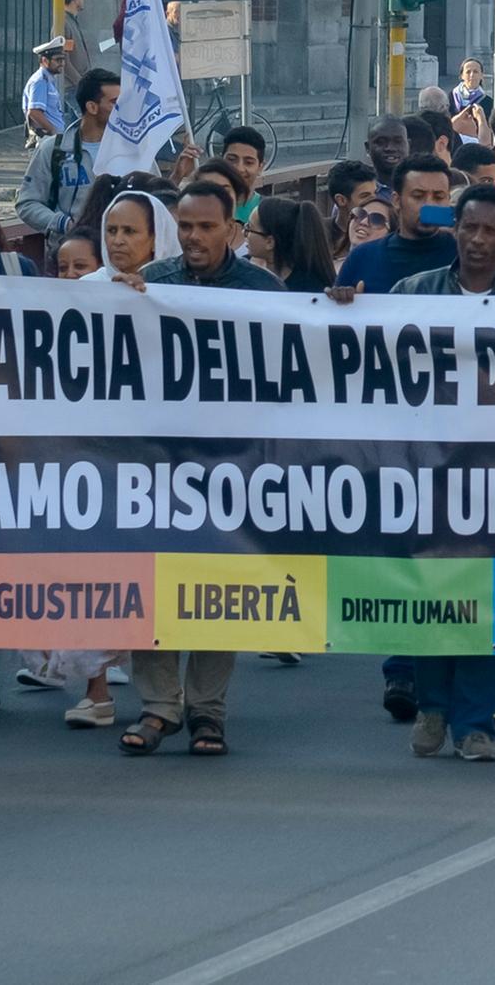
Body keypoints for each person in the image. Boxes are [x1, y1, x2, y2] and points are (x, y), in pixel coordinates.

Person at [371, 185, 495, 763]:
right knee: (434, 594)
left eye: (490, 231)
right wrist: (344, 306)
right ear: (454, 229)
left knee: (494, 596)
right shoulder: (413, 294)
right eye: (469, 228)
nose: (478, 241)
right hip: (430, 473)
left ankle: (475, 722)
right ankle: (433, 706)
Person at [112, 183, 282, 759]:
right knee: (153, 586)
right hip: (155, 466)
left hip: (228, 468)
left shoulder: (262, 291)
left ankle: (208, 712)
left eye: (206, 227)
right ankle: (159, 707)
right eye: (185, 227)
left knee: (217, 590)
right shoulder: (150, 285)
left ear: (232, 231)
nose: (194, 237)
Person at [16, 68, 118, 242]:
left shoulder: (133, 149)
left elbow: (155, 198)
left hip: (119, 255)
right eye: (115, 102)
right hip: (70, 256)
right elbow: (27, 204)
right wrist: (63, 224)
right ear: (92, 107)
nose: (122, 108)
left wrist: (176, 174)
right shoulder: (54, 149)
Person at [332, 156, 457, 293]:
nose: (429, 204)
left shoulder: (463, 256)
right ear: (396, 200)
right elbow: (331, 311)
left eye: (438, 197)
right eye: (418, 196)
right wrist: (342, 301)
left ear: (448, 201)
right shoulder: (362, 257)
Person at [244, 195, 337, 294]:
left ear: (270, 242)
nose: (243, 232)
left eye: (249, 228)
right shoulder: (242, 267)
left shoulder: (309, 287)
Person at [21, 38, 68, 140]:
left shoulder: (48, 80)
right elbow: (34, 112)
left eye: (63, 59)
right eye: (58, 60)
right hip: (46, 139)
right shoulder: (40, 81)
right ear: (45, 61)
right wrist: (52, 131)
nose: (62, 63)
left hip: (51, 139)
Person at [61, 0, 93, 91]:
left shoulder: (71, 21)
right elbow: (64, 59)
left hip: (77, 85)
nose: (84, 0)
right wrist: (80, 82)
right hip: (72, 87)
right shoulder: (64, 23)